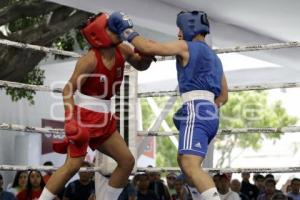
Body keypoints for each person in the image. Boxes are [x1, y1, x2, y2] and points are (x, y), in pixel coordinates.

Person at [108, 10, 228, 200]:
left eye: (180, 29)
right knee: (183, 161)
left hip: (196, 110)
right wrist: (207, 109)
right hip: (211, 114)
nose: (178, 33)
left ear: (190, 27)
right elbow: (223, 95)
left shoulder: (186, 46)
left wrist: (126, 30)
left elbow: (148, 47)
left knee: (190, 164)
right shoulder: (215, 58)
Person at [39, 12, 153, 200]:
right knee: (72, 166)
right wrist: (70, 119)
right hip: (84, 117)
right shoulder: (89, 60)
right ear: (100, 32)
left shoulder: (123, 50)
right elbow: (68, 90)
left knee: (127, 162)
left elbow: (140, 65)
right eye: (111, 29)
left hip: (105, 119)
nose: (118, 32)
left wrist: (148, 56)